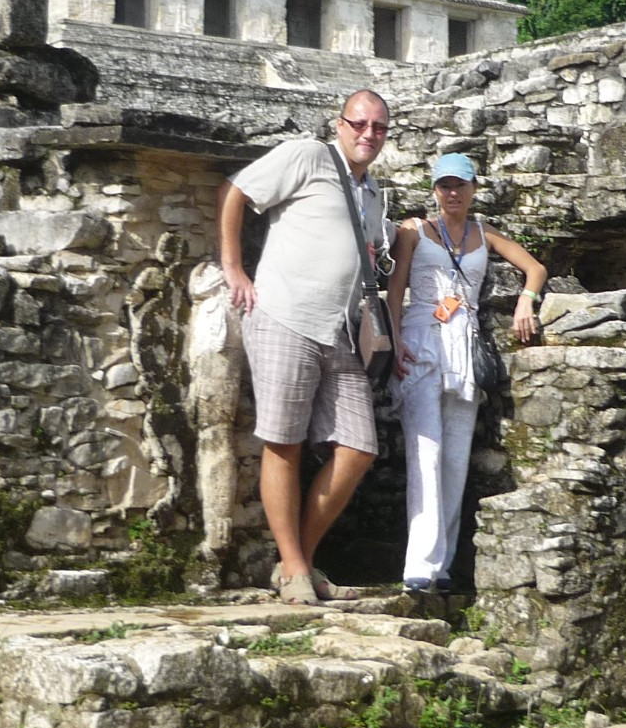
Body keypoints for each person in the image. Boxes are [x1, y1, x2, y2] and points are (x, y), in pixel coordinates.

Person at [217, 88, 393, 605]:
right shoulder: (308, 155)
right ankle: (295, 570)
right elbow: (234, 192)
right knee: (284, 443)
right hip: (284, 315)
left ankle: (299, 560)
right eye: (359, 123)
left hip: (339, 330)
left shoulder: (373, 193)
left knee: (359, 447)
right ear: (339, 124)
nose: (368, 134)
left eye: (379, 128)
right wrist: (233, 267)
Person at [386, 152, 546, 594]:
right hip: (422, 339)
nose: (452, 193)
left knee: (456, 459)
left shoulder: (484, 232)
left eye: (460, 185)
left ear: (474, 188)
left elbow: (535, 267)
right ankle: (418, 565)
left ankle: (443, 566)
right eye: (444, 185)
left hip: (466, 345)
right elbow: (394, 289)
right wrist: (396, 341)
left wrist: (526, 300)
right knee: (426, 453)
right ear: (434, 190)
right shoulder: (413, 231)